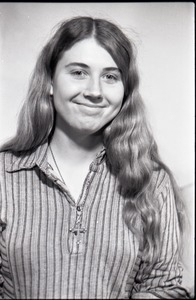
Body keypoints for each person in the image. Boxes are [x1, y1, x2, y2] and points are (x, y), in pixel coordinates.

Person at [0, 16, 191, 299]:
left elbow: (163, 287)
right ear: (50, 81)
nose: (94, 91)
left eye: (110, 77)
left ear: (124, 91)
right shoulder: (4, 175)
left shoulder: (151, 182)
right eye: (78, 72)